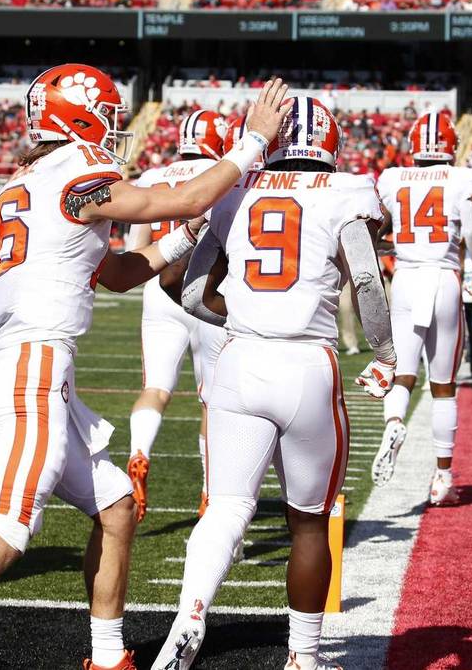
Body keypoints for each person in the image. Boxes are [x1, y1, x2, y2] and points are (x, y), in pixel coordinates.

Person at [0, 66, 290, 670]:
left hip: (41, 370)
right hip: (33, 369)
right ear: (78, 115)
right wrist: (252, 142)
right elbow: (176, 197)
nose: (113, 129)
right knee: (7, 526)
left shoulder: (29, 182)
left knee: (118, 504)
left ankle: (107, 657)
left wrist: (185, 237)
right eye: (106, 114)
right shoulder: (75, 173)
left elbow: (120, 273)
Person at [156, 96, 396, 670]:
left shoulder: (234, 192)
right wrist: (385, 352)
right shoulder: (349, 191)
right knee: (309, 521)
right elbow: (365, 278)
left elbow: (182, 290)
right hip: (308, 363)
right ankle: (304, 658)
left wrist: (241, 321)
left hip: (239, 361)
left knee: (225, 509)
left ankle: (190, 617)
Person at [369, 111, 472, 504]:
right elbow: (471, 230)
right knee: (443, 387)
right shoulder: (462, 177)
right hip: (442, 279)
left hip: (405, 277)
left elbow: (379, 228)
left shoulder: (392, 178)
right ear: (450, 146)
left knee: (403, 373)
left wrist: (393, 245)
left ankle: (393, 422)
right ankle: (442, 477)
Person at [125, 109, 230, 522]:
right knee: (213, 400)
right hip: (210, 289)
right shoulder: (229, 175)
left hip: (158, 292)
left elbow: (137, 246)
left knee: (155, 388)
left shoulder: (153, 176)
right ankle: (209, 492)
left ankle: (139, 452)